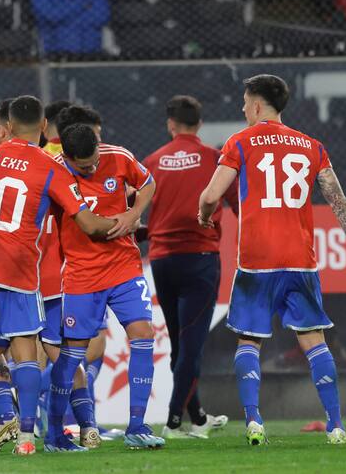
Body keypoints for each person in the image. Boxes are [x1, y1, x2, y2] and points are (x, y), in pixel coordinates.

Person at [0, 95, 121, 457]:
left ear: (9, 127)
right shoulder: (51, 167)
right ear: (44, 127)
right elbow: (88, 222)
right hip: (16, 267)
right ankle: (28, 437)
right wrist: (124, 223)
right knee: (26, 353)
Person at [198, 74, 346, 446]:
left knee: (249, 341)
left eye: (245, 102)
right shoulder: (311, 146)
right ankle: (336, 425)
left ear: (257, 105)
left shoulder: (240, 142)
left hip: (256, 259)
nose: (243, 109)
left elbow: (212, 194)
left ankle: (254, 422)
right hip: (300, 260)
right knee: (314, 340)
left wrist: (203, 213)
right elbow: (337, 201)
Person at [48, 122, 163, 451]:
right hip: (82, 273)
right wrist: (123, 222)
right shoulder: (57, 173)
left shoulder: (118, 156)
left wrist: (135, 212)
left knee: (143, 334)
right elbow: (88, 227)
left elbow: (148, 182)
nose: (94, 167)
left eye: (95, 160)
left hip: (124, 267)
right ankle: (55, 433)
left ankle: (137, 428)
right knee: (73, 355)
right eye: (85, 166)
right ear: (68, 158)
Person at [142, 96, 235, 439]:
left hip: (162, 261)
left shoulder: (152, 161)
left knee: (181, 345)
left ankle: (196, 416)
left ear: (170, 125)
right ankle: (173, 421)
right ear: (199, 123)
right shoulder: (215, 158)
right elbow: (238, 203)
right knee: (192, 345)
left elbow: (138, 206)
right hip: (200, 259)